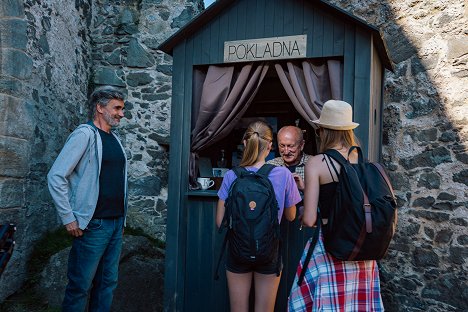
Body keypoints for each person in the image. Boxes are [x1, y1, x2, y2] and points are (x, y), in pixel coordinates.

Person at [288, 100, 384, 311]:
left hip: (331, 246)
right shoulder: (361, 159)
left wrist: (301, 203)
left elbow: (310, 219)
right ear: (348, 130)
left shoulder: (317, 162)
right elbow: (346, 196)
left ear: (323, 131)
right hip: (362, 249)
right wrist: (308, 189)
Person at [47, 86, 128, 312]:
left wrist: (123, 220)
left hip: (115, 224)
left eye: (122, 108)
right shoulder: (84, 134)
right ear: (100, 108)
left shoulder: (115, 139)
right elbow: (56, 176)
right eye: (117, 108)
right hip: (93, 224)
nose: (122, 113)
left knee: (107, 284)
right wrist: (68, 218)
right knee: (80, 286)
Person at [216, 121, 301, 312]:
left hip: (238, 249)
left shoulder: (231, 175)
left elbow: (219, 221)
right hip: (268, 250)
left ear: (245, 143)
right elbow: (291, 216)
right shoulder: (284, 174)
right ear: (270, 146)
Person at [267, 126, 311, 193]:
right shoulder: (270, 166)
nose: (286, 151)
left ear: (301, 145)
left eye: (291, 146)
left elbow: (325, 200)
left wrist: (304, 188)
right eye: (282, 146)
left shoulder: (314, 164)